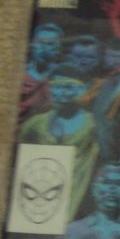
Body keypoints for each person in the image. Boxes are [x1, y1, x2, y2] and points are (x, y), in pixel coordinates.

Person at [19, 65, 99, 223]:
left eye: (69, 87)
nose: (61, 93)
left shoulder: (93, 125)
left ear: (82, 90)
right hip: (41, 191)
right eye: (56, 86)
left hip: (79, 191)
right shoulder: (35, 124)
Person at [19, 23, 63, 125]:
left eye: (50, 44)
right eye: (40, 42)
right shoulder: (18, 74)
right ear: (32, 45)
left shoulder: (63, 77)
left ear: (58, 49)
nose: (44, 48)